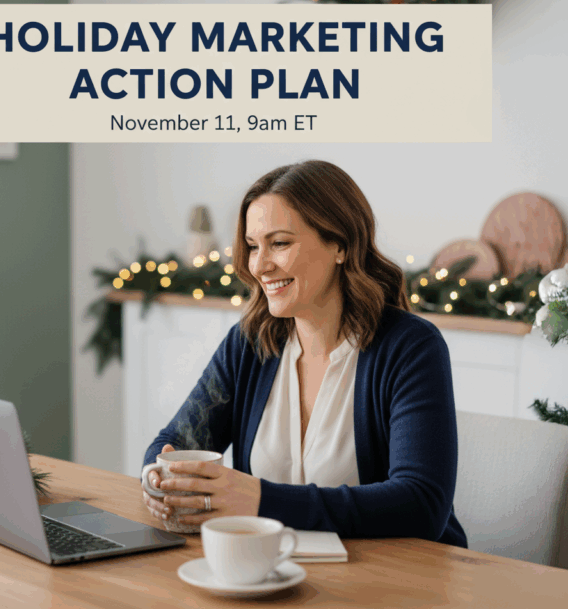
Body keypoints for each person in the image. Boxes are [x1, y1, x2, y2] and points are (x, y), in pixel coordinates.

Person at [142, 160, 467, 547]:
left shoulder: (411, 347)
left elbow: (421, 505)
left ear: (341, 245)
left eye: (279, 243)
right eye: (251, 246)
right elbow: (176, 440)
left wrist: (259, 498)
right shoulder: (250, 343)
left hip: (399, 584)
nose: (260, 265)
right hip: (276, 574)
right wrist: (158, 479)